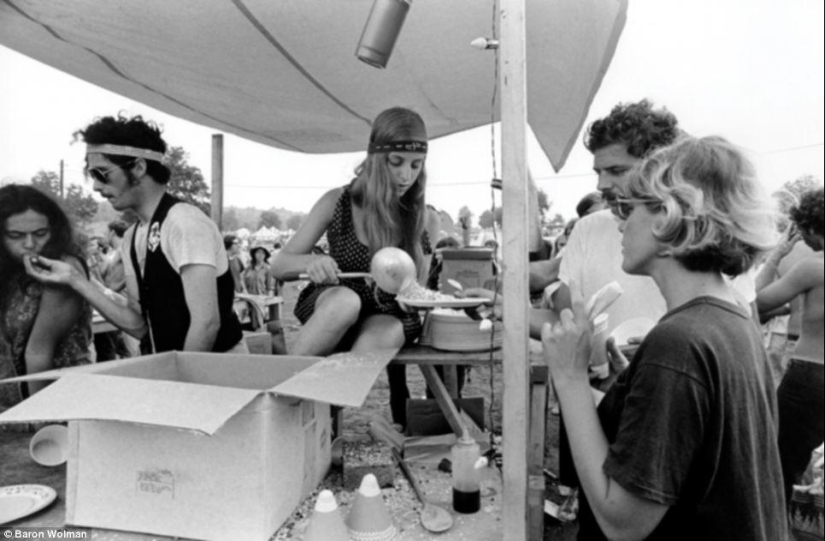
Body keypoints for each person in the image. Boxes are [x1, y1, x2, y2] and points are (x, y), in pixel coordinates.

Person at [542, 136, 787, 540]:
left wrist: (568, 377)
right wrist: (634, 390)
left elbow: (622, 523)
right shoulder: (731, 318)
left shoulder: (679, 344)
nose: (620, 221)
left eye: (630, 207)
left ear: (670, 217)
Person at [271, 106, 438, 429]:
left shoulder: (425, 217)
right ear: (376, 158)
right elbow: (279, 265)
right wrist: (313, 263)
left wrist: (413, 293)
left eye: (416, 166)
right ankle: (278, 400)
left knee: (388, 330)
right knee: (347, 302)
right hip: (335, 303)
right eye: (396, 162)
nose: (406, 175)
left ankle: (321, 420)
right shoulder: (338, 202)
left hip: (387, 314)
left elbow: (420, 289)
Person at [24, 114, 245, 355]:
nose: (96, 186)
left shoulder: (184, 222)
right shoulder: (132, 236)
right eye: (92, 175)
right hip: (177, 372)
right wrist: (76, 280)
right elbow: (140, 325)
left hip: (217, 375)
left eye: (101, 173)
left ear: (138, 167)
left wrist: (182, 384)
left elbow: (206, 324)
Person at [755, 187, 824, 504]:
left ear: (811, 226)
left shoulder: (814, 267)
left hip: (811, 374)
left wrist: (778, 254)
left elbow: (755, 302)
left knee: (778, 463)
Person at [0, 185, 93, 413]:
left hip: (56, 398)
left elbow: (39, 352)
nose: (30, 244)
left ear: (54, 229)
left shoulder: (63, 267)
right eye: (16, 236)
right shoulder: (8, 268)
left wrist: (39, 418)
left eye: (40, 234)